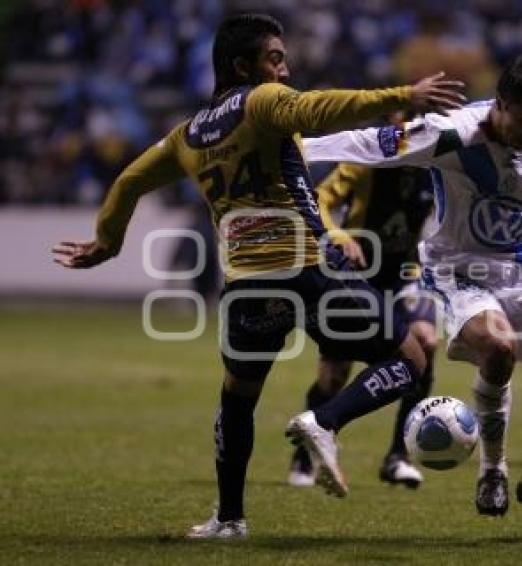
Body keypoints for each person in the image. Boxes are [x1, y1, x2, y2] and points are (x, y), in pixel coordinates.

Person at [51, 13, 466, 540]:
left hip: (247, 287)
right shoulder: (262, 101)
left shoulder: (187, 135)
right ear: (241, 66)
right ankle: (325, 422)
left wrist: (107, 242)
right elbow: (317, 109)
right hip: (306, 268)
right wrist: (404, 93)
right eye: (276, 58)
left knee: (237, 398)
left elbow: (129, 180)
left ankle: (228, 518)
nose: (285, 69)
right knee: (409, 358)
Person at [303, 54, 522, 540]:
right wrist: (295, 146)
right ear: (502, 104)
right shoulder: (452, 134)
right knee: (500, 347)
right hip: (459, 270)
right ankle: (493, 470)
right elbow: (370, 144)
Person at [289, 137, 438, 489]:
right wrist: (339, 235)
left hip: (405, 275)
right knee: (334, 375)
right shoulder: (366, 163)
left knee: (426, 343)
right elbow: (319, 199)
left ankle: (397, 456)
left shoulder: (438, 167)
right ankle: (305, 454)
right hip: (356, 278)